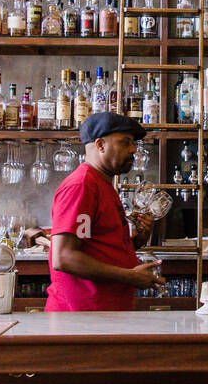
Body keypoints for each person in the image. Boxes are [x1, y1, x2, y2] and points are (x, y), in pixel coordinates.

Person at [46, 112, 165, 311]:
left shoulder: (101, 184)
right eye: (126, 142)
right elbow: (64, 257)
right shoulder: (82, 186)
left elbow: (99, 249)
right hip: (80, 317)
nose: (134, 150)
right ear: (100, 145)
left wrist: (138, 238)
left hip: (100, 314)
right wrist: (130, 276)